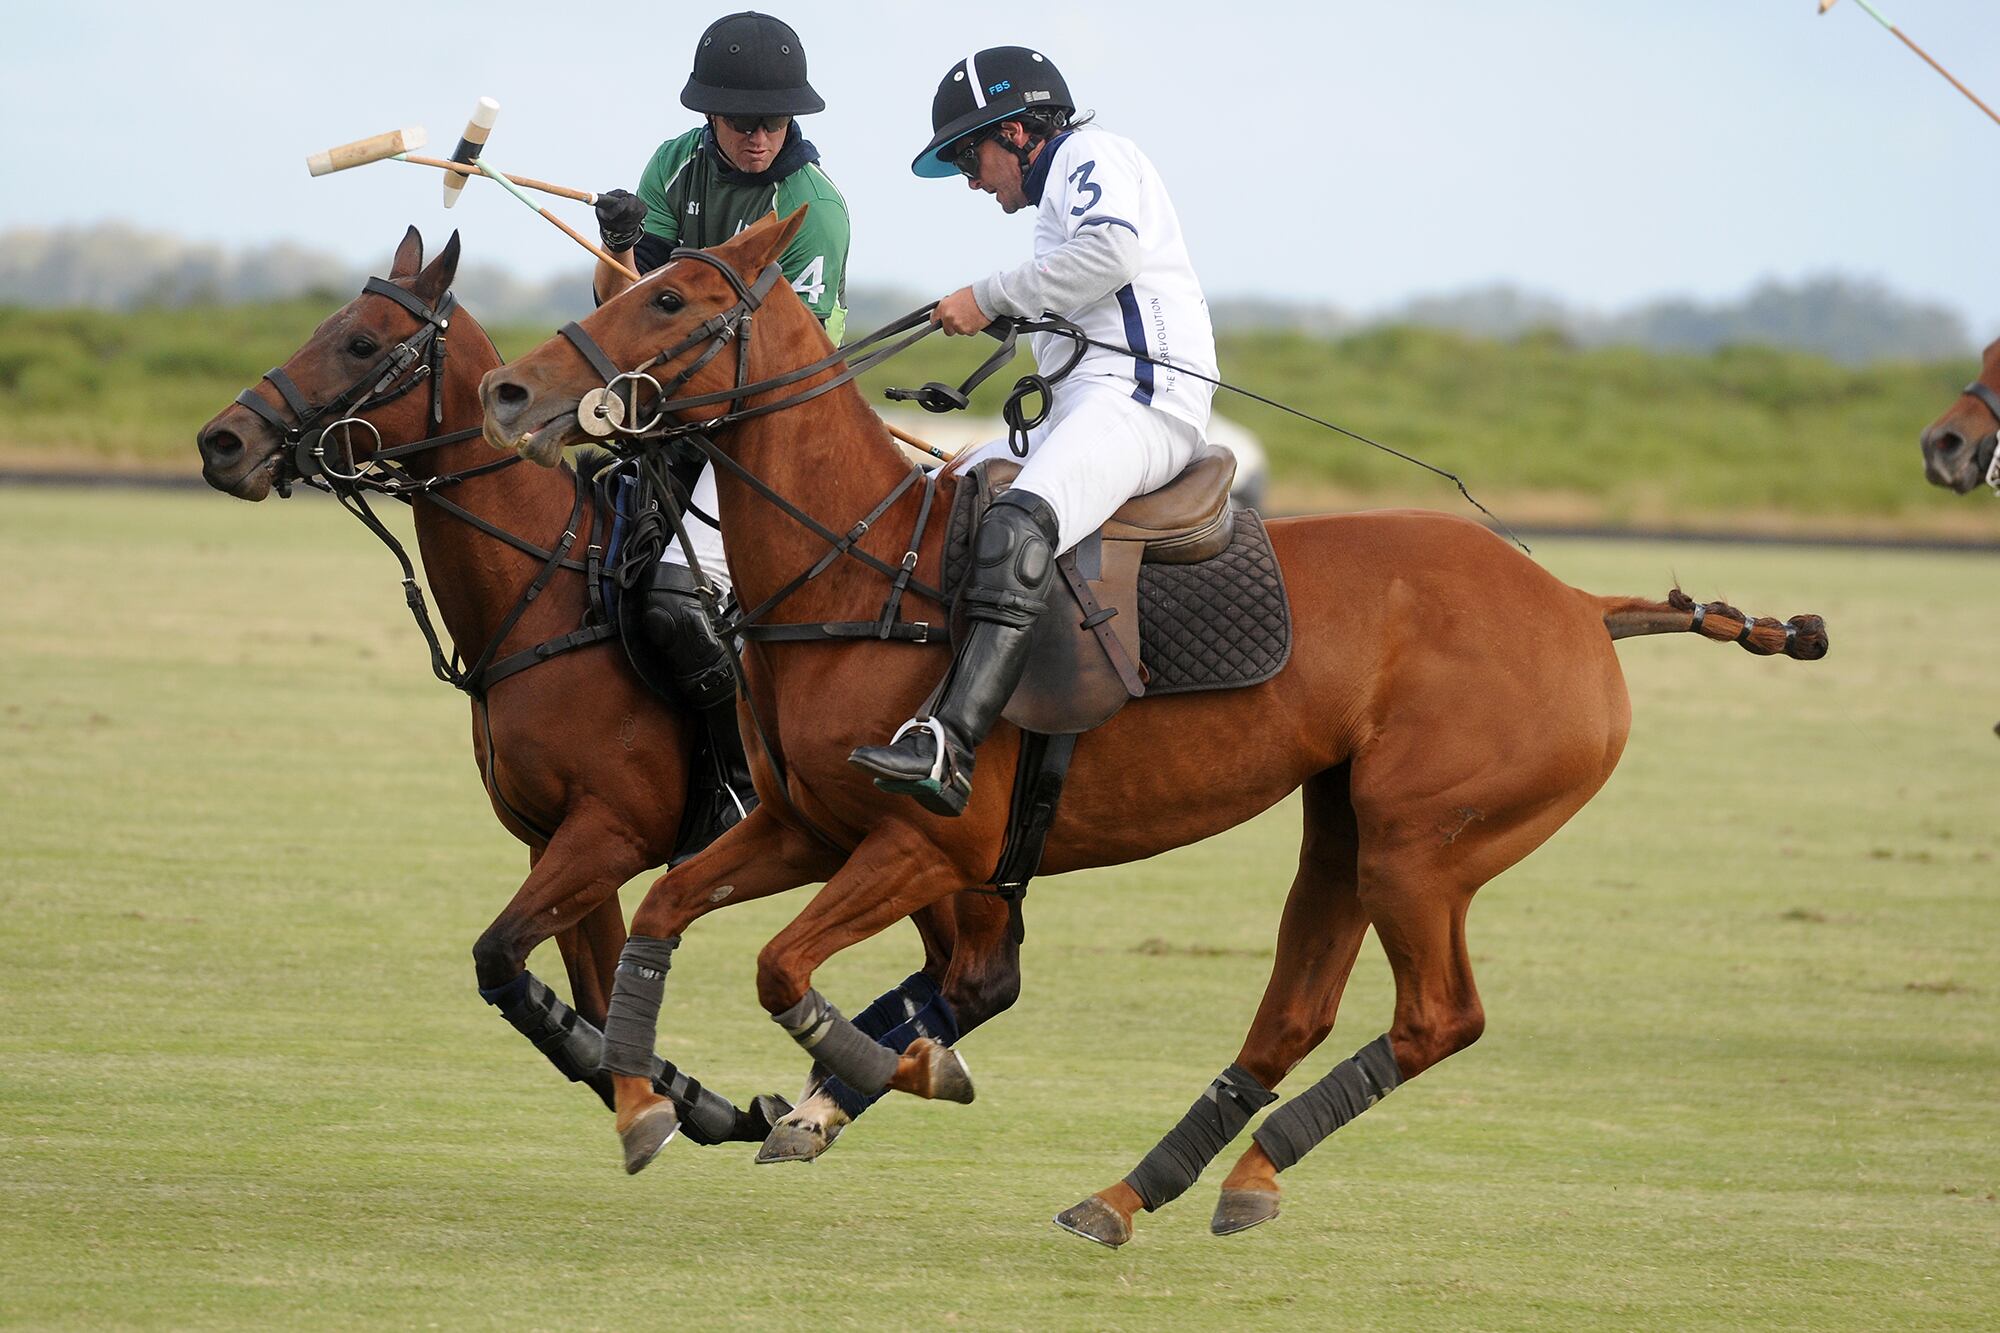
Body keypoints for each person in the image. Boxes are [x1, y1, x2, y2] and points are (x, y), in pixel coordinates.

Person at [849, 46, 1220, 816]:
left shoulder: (1089, 152)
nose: (972, 181)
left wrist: (988, 296)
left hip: (1144, 401)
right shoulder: (1059, 192)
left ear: (1017, 132)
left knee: (1018, 525)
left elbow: (1111, 252)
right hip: (1086, 405)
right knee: (932, 497)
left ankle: (951, 743)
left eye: (970, 157)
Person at [590, 11, 852, 854]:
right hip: (673, 411)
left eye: (773, 121)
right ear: (710, 114)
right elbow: (620, 311)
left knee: (675, 600)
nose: (757, 137)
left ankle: (748, 788)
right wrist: (618, 246)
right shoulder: (674, 165)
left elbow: (781, 360)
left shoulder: (811, 208)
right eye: (741, 122)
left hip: (768, 426)